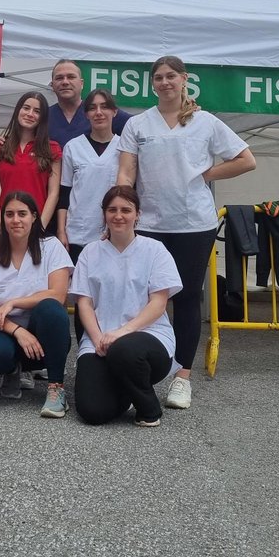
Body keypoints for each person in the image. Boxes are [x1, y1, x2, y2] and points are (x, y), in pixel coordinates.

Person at [116, 54, 256, 410]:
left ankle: (182, 377)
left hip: (194, 224)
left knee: (188, 298)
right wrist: (119, 210)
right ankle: (142, 372)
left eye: (171, 76)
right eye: (159, 77)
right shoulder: (138, 124)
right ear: (152, 83)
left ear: (184, 80)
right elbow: (126, 173)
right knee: (146, 298)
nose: (165, 82)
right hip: (149, 224)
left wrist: (206, 175)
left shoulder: (205, 122)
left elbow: (246, 159)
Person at [72, 185, 183, 427]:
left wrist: (121, 333)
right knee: (93, 411)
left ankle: (148, 409)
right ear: (104, 214)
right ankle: (125, 389)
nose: (118, 215)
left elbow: (158, 303)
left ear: (137, 214)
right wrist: (98, 338)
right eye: (112, 210)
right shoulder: (90, 252)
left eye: (126, 209)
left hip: (147, 338)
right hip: (99, 340)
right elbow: (84, 303)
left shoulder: (155, 251)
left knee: (124, 350)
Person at [0, 192, 72, 418]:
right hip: (7, 331)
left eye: (22, 214)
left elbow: (57, 294)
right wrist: (17, 331)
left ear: (34, 217)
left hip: (46, 335)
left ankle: (56, 389)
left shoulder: (51, 247)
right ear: (2, 219)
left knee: (51, 309)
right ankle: (11, 370)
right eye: (9, 214)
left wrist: (14, 302)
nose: (15, 220)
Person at [57, 88, 121, 343]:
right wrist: (62, 231)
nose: (99, 112)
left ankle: (109, 348)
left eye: (104, 106)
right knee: (82, 296)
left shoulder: (124, 147)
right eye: (93, 107)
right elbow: (64, 192)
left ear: (114, 112)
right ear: (86, 114)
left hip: (112, 234)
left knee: (109, 296)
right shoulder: (74, 147)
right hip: (78, 234)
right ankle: (85, 354)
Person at [0, 91, 61, 232]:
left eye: (37, 111)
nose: (30, 114)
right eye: (26, 108)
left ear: (42, 118)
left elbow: (53, 193)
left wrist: (40, 227)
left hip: (38, 227)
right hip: (7, 226)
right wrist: (2, 227)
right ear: (18, 110)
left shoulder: (53, 149)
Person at [47, 59, 131, 147]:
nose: (65, 82)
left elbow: (137, 125)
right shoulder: (43, 116)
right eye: (59, 78)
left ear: (81, 83)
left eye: (71, 77)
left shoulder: (100, 112)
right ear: (52, 85)